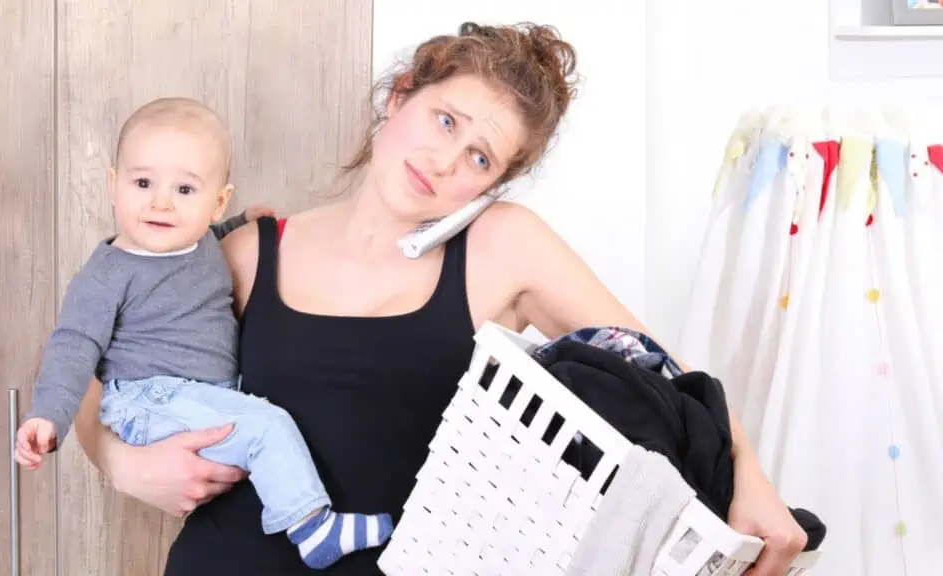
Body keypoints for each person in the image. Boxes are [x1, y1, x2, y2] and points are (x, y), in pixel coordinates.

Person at [73, 23, 808, 575]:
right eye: (445, 120)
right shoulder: (245, 251)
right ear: (400, 99)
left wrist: (753, 481)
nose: (446, 162)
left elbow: (661, 374)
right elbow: (100, 373)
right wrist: (122, 464)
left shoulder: (503, 247)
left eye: (479, 158)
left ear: (493, 183)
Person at [15, 97, 393, 570]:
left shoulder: (198, 243)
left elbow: (211, 239)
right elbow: (74, 344)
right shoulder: (108, 274)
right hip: (148, 399)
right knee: (269, 427)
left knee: (275, 420)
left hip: (194, 394)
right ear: (114, 185)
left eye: (185, 190)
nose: (160, 202)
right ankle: (314, 528)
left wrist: (246, 223)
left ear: (217, 202)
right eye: (142, 182)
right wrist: (48, 417)